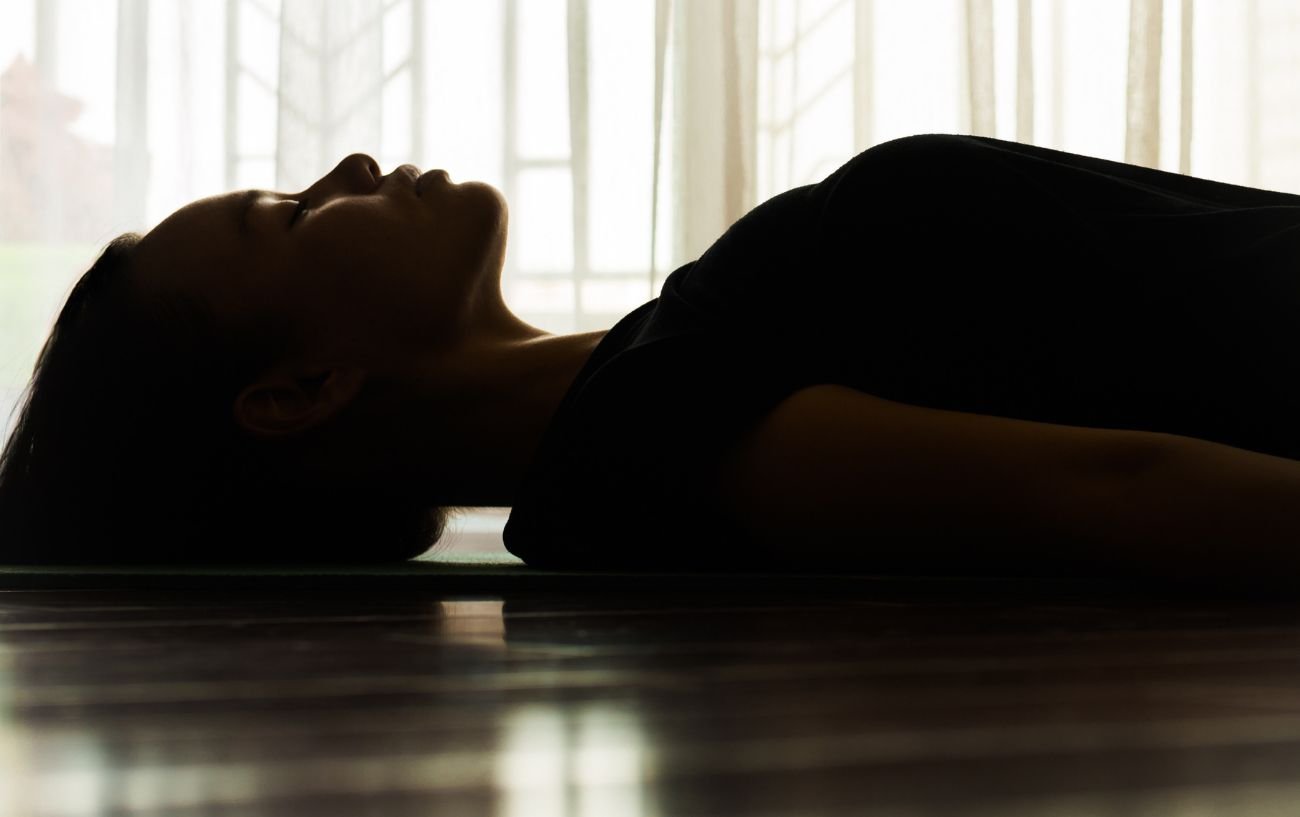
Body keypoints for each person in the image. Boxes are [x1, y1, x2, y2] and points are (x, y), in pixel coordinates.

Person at [5, 133, 1300, 579]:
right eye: (288, 214)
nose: (345, 167)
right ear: (297, 391)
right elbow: (1112, 491)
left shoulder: (672, 353)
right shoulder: (645, 439)